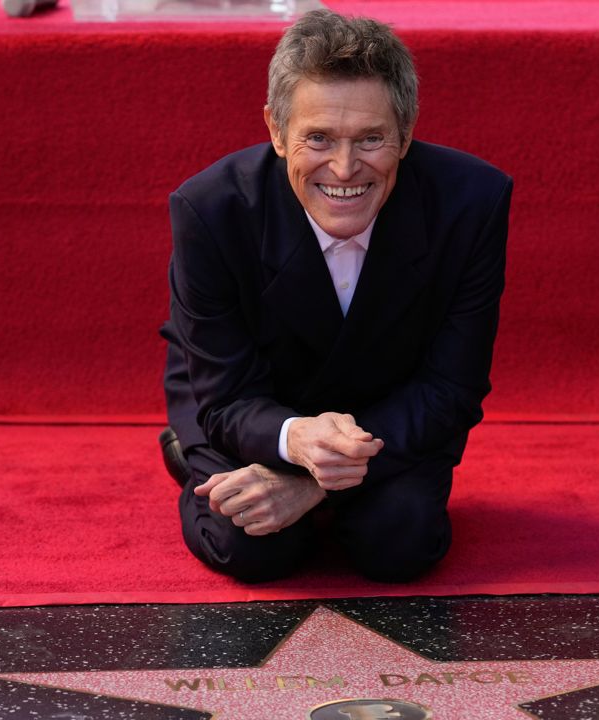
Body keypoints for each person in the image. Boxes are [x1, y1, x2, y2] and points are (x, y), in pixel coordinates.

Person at [159, 9, 512, 582]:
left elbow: (453, 387)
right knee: (252, 548)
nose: (345, 169)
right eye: (318, 137)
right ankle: (188, 451)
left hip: (387, 412)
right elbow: (224, 395)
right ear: (276, 130)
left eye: (371, 138)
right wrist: (294, 440)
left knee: (401, 544)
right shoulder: (210, 210)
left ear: (406, 130)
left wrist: (310, 484)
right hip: (253, 404)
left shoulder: (473, 202)